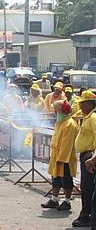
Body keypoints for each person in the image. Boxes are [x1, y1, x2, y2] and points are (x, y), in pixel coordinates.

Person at [42, 99, 79, 212]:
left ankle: (67, 201)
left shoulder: (70, 124)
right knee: (55, 178)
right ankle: (54, 199)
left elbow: (66, 145)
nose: (54, 112)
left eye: (56, 110)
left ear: (60, 111)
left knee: (66, 180)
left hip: (65, 158)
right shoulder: (60, 122)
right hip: (56, 156)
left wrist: (61, 159)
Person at [72, 90, 96, 227]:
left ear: (90, 104)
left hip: (90, 158)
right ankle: (87, 214)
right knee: (86, 188)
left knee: (88, 188)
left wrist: (92, 154)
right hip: (86, 156)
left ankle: (86, 216)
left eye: (83, 104)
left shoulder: (93, 118)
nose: (80, 107)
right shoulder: (88, 116)